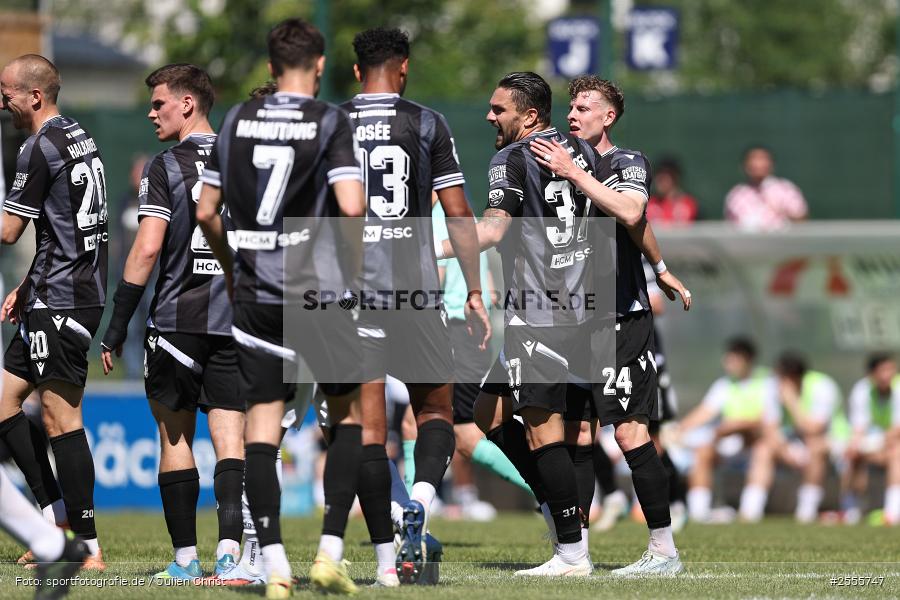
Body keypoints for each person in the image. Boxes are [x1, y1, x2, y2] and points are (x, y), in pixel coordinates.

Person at [197, 18, 366, 597]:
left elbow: (204, 212)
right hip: (318, 292)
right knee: (348, 419)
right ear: (319, 66)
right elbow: (350, 205)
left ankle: (272, 568)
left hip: (257, 294)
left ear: (270, 67)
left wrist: (232, 266)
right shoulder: (329, 119)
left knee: (262, 430)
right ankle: (328, 554)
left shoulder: (239, 120)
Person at [341, 27, 488, 586]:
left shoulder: (332, 123)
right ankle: (422, 499)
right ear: (403, 69)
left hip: (352, 297)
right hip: (418, 292)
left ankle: (392, 542)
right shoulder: (427, 122)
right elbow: (457, 212)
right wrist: (473, 289)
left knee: (367, 430)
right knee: (435, 413)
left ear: (357, 72)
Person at [530, 75, 689, 575]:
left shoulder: (625, 162)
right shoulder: (560, 160)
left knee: (630, 433)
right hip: (573, 320)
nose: (573, 114)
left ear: (608, 116)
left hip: (620, 316)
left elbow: (632, 211)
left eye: (584, 107)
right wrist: (661, 268)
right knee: (578, 434)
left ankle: (664, 551)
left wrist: (573, 174)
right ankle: (572, 554)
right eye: (571, 106)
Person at [98, 63, 247, 581]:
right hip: (236, 321)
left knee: (175, 441)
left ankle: (186, 560)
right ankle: (231, 555)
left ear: (188, 103)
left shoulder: (166, 166)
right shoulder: (244, 161)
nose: (151, 111)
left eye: (158, 102)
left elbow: (146, 248)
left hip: (177, 323)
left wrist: (116, 326)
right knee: (232, 440)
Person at [0, 53, 107, 570]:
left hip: (63, 298)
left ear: (34, 96)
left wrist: (39, 283)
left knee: (62, 420)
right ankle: (54, 521)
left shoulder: (37, 147)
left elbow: (8, 231)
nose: (4, 102)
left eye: (8, 94)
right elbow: (68, 230)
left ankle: (86, 546)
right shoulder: (79, 136)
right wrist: (26, 283)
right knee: (3, 403)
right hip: (58, 289)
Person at [677, 337, 780, 523]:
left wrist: (739, 425)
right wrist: (679, 429)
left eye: (733, 358)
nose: (728, 362)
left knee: (764, 451)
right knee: (703, 451)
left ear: (747, 359)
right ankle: (698, 513)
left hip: (755, 445)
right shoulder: (723, 385)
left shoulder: (767, 384)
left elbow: (770, 425)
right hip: (730, 445)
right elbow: (703, 413)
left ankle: (750, 513)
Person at [772, 352, 843, 523]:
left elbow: (814, 430)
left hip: (835, 441)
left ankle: (806, 510)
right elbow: (769, 427)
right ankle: (750, 512)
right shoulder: (774, 387)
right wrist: (783, 448)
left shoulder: (822, 385)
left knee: (815, 447)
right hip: (794, 443)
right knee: (763, 449)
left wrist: (792, 402)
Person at [842, 353, 900, 525]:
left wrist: (877, 444)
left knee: (896, 454)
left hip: (891, 444)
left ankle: (892, 512)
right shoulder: (862, 390)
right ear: (872, 374)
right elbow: (858, 428)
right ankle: (851, 510)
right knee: (852, 455)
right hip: (878, 444)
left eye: (891, 369)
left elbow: (897, 430)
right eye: (883, 370)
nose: (888, 375)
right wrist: (855, 446)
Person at [724, 145, 807, 231]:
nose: (758, 164)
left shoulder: (786, 189)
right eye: (753, 159)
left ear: (771, 164)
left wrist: (781, 209)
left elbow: (801, 219)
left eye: (762, 159)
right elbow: (732, 227)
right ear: (745, 165)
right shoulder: (736, 194)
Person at [646, 158, 697, 226]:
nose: (661, 179)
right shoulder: (647, 204)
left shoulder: (689, 205)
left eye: (665, 176)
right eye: (658, 175)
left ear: (675, 177)